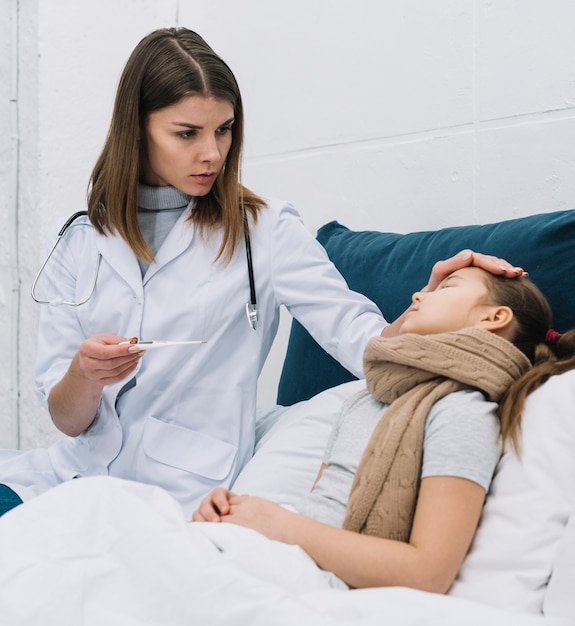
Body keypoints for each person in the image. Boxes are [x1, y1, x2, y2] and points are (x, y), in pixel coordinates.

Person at [0, 27, 524, 518]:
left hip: (181, 494)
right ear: (137, 131)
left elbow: (360, 342)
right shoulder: (81, 238)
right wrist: (84, 376)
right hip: (69, 477)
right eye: (187, 133)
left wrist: (424, 304)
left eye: (224, 130)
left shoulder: (263, 229)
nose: (212, 153)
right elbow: (66, 419)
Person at [192, 266, 575, 593]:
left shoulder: (461, 413)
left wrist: (277, 524)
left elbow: (428, 572)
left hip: (303, 575)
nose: (419, 294)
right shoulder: (365, 401)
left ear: (493, 317)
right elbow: (321, 510)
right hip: (274, 554)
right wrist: (234, 512)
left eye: (448, 287)